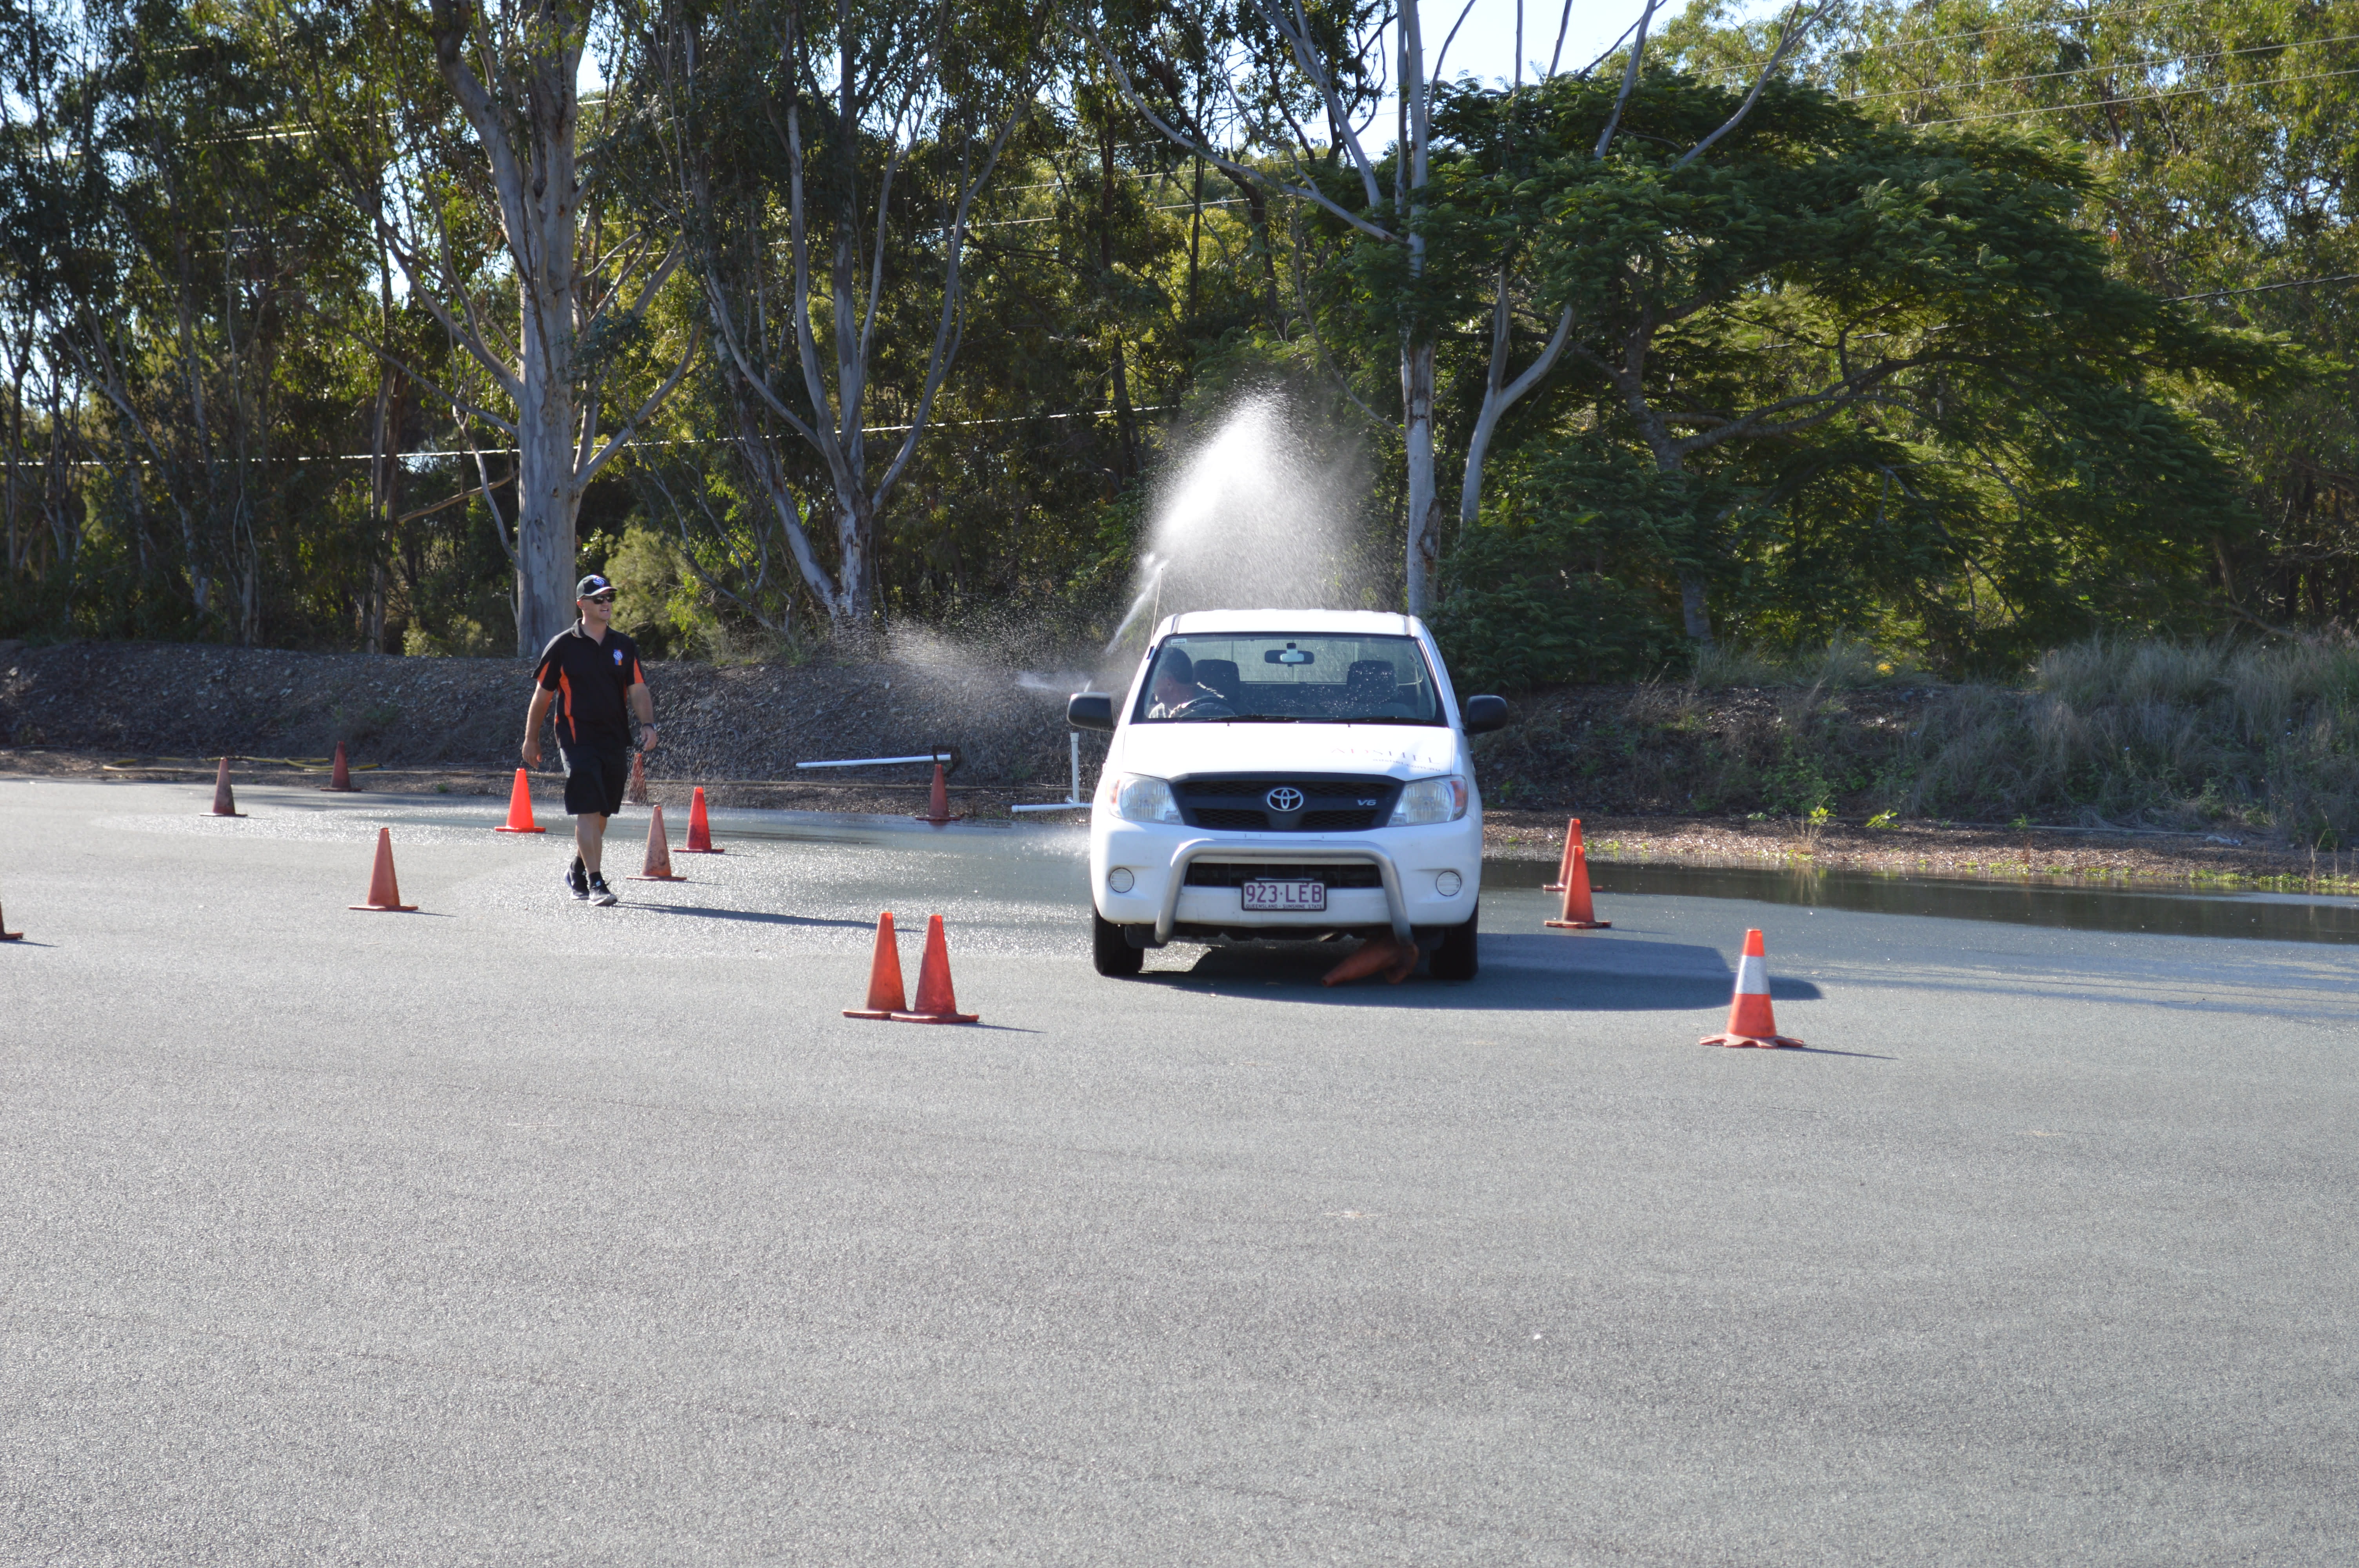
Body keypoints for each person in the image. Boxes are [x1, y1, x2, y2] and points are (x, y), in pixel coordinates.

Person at [522, 575, 656, 904]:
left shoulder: (623, 646)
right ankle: (597, 883)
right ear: (581, 604)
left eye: (609, 597)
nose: (606, 603)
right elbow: (543, 695)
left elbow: (637, 689)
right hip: (576, 737)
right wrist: (531, 739)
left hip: (613, 737)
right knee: (587, 806)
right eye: (598, 599)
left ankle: (578, 868)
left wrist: (649, 724)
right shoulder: (563, 645)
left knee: (602, 813)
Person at [1145, 647, 1232, 719]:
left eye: (1154, 680)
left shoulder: (1216, 710)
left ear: (1169, 683)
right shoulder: (1157, 715)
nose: (1152, 688)